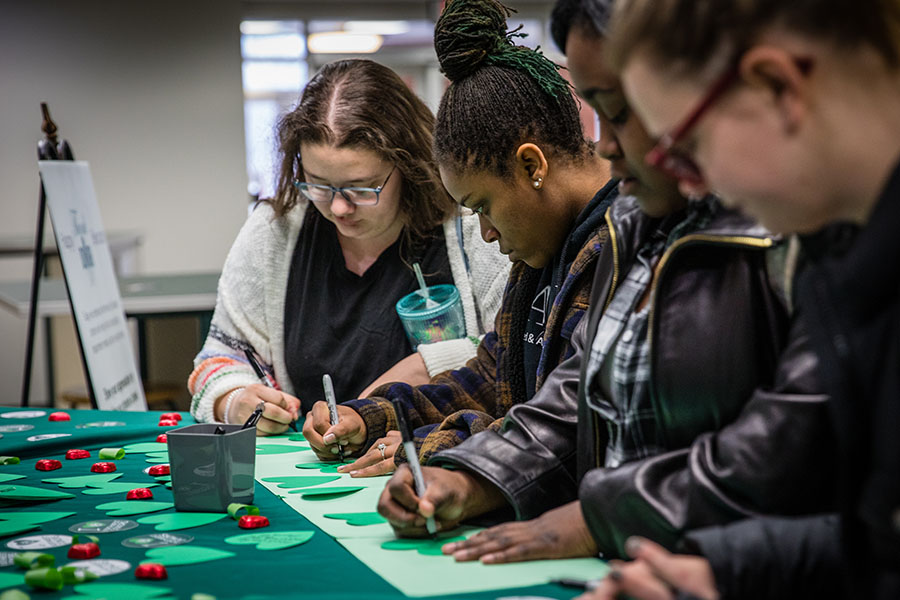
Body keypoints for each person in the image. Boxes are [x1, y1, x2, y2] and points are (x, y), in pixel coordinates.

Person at [374, 0, 834, 566]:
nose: (606, 145)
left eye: (622, 111)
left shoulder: (794, 231)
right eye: (601, 113)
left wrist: (602, 515)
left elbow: (790, 445)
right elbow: (581, 396)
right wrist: (472, 476)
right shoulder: (635, 228)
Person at [581, 0, 900, 597]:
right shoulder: (846, 265)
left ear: (777, 86)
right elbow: (878, 544)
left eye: (688, 147)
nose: (693, 183)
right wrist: (724, 573)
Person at [302, 0, 615, 476]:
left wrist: (430, 445)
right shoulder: (543, 249)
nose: (486, 233)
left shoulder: (617, 248)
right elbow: (493, 376)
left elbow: (567, 427)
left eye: (484, 206)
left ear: (532, 167)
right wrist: (375, 417)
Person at [188, 59, 509, 435]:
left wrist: (432, 364)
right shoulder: (276, 230)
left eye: (361, 187)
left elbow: (514, 355)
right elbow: (219, 357)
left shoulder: (471, 228)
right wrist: (234, 399)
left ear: (407, 166)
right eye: (318, 184)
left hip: (432, 457)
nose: (339, 207)